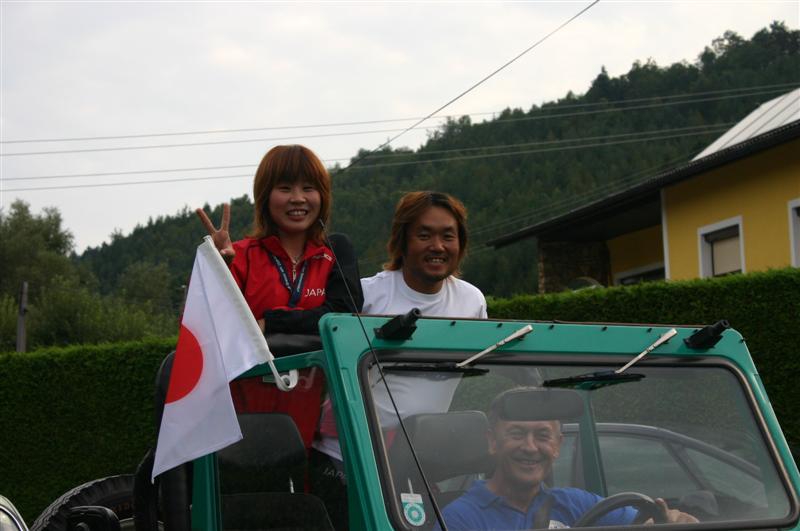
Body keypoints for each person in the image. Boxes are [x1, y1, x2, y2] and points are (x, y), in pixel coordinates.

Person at [196, 144, 362, 447]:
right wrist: (216, 269)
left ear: (322, 196)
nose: (298, 198)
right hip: (241, 415)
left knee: (300, 490)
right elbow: (206, 331)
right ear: (265, 197)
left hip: (308, 418)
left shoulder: (334, 253)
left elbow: (342, 316)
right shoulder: (241, 254)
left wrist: (269, 322)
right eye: (285, 188)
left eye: (308, 188)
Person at [439, 388, 699, 529]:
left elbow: (646, 523)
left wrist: (676, 523)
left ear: (557, 445)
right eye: (517, 434)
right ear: (492, 442)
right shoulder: (459, 520)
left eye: (542, 435)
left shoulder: (577, 504)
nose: (530, 447)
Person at [361, 190, 486, 318]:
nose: (438, 247)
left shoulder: (473, 301)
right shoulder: (365, 296)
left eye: (448, 236)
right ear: (402, 241)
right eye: (424, 236)